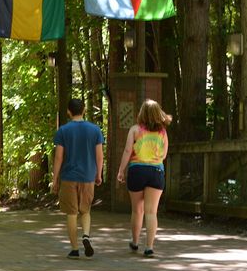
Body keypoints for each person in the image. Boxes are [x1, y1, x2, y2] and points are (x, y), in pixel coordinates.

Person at [117, 99, 171, 257]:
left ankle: (134, 242)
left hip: (137, 170)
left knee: (137, 210)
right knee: (151, 211)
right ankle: (149, 247)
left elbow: (127, 151)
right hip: (156, 171)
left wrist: (121, 170)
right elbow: (164, 154)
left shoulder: (135, 130)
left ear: (142, 113)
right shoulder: (162, 132)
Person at [51, 98, 104, 259]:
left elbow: (59, 157)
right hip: (88, 176)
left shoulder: (63, 131)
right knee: (85, 210)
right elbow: (99, 155)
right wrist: (99, 174)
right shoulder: (95, 130)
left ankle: (74, 249)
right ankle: (86, 236)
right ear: (84, 110)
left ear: (68, 111)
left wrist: (55, 179)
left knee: (71, 213)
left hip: (68, 177)